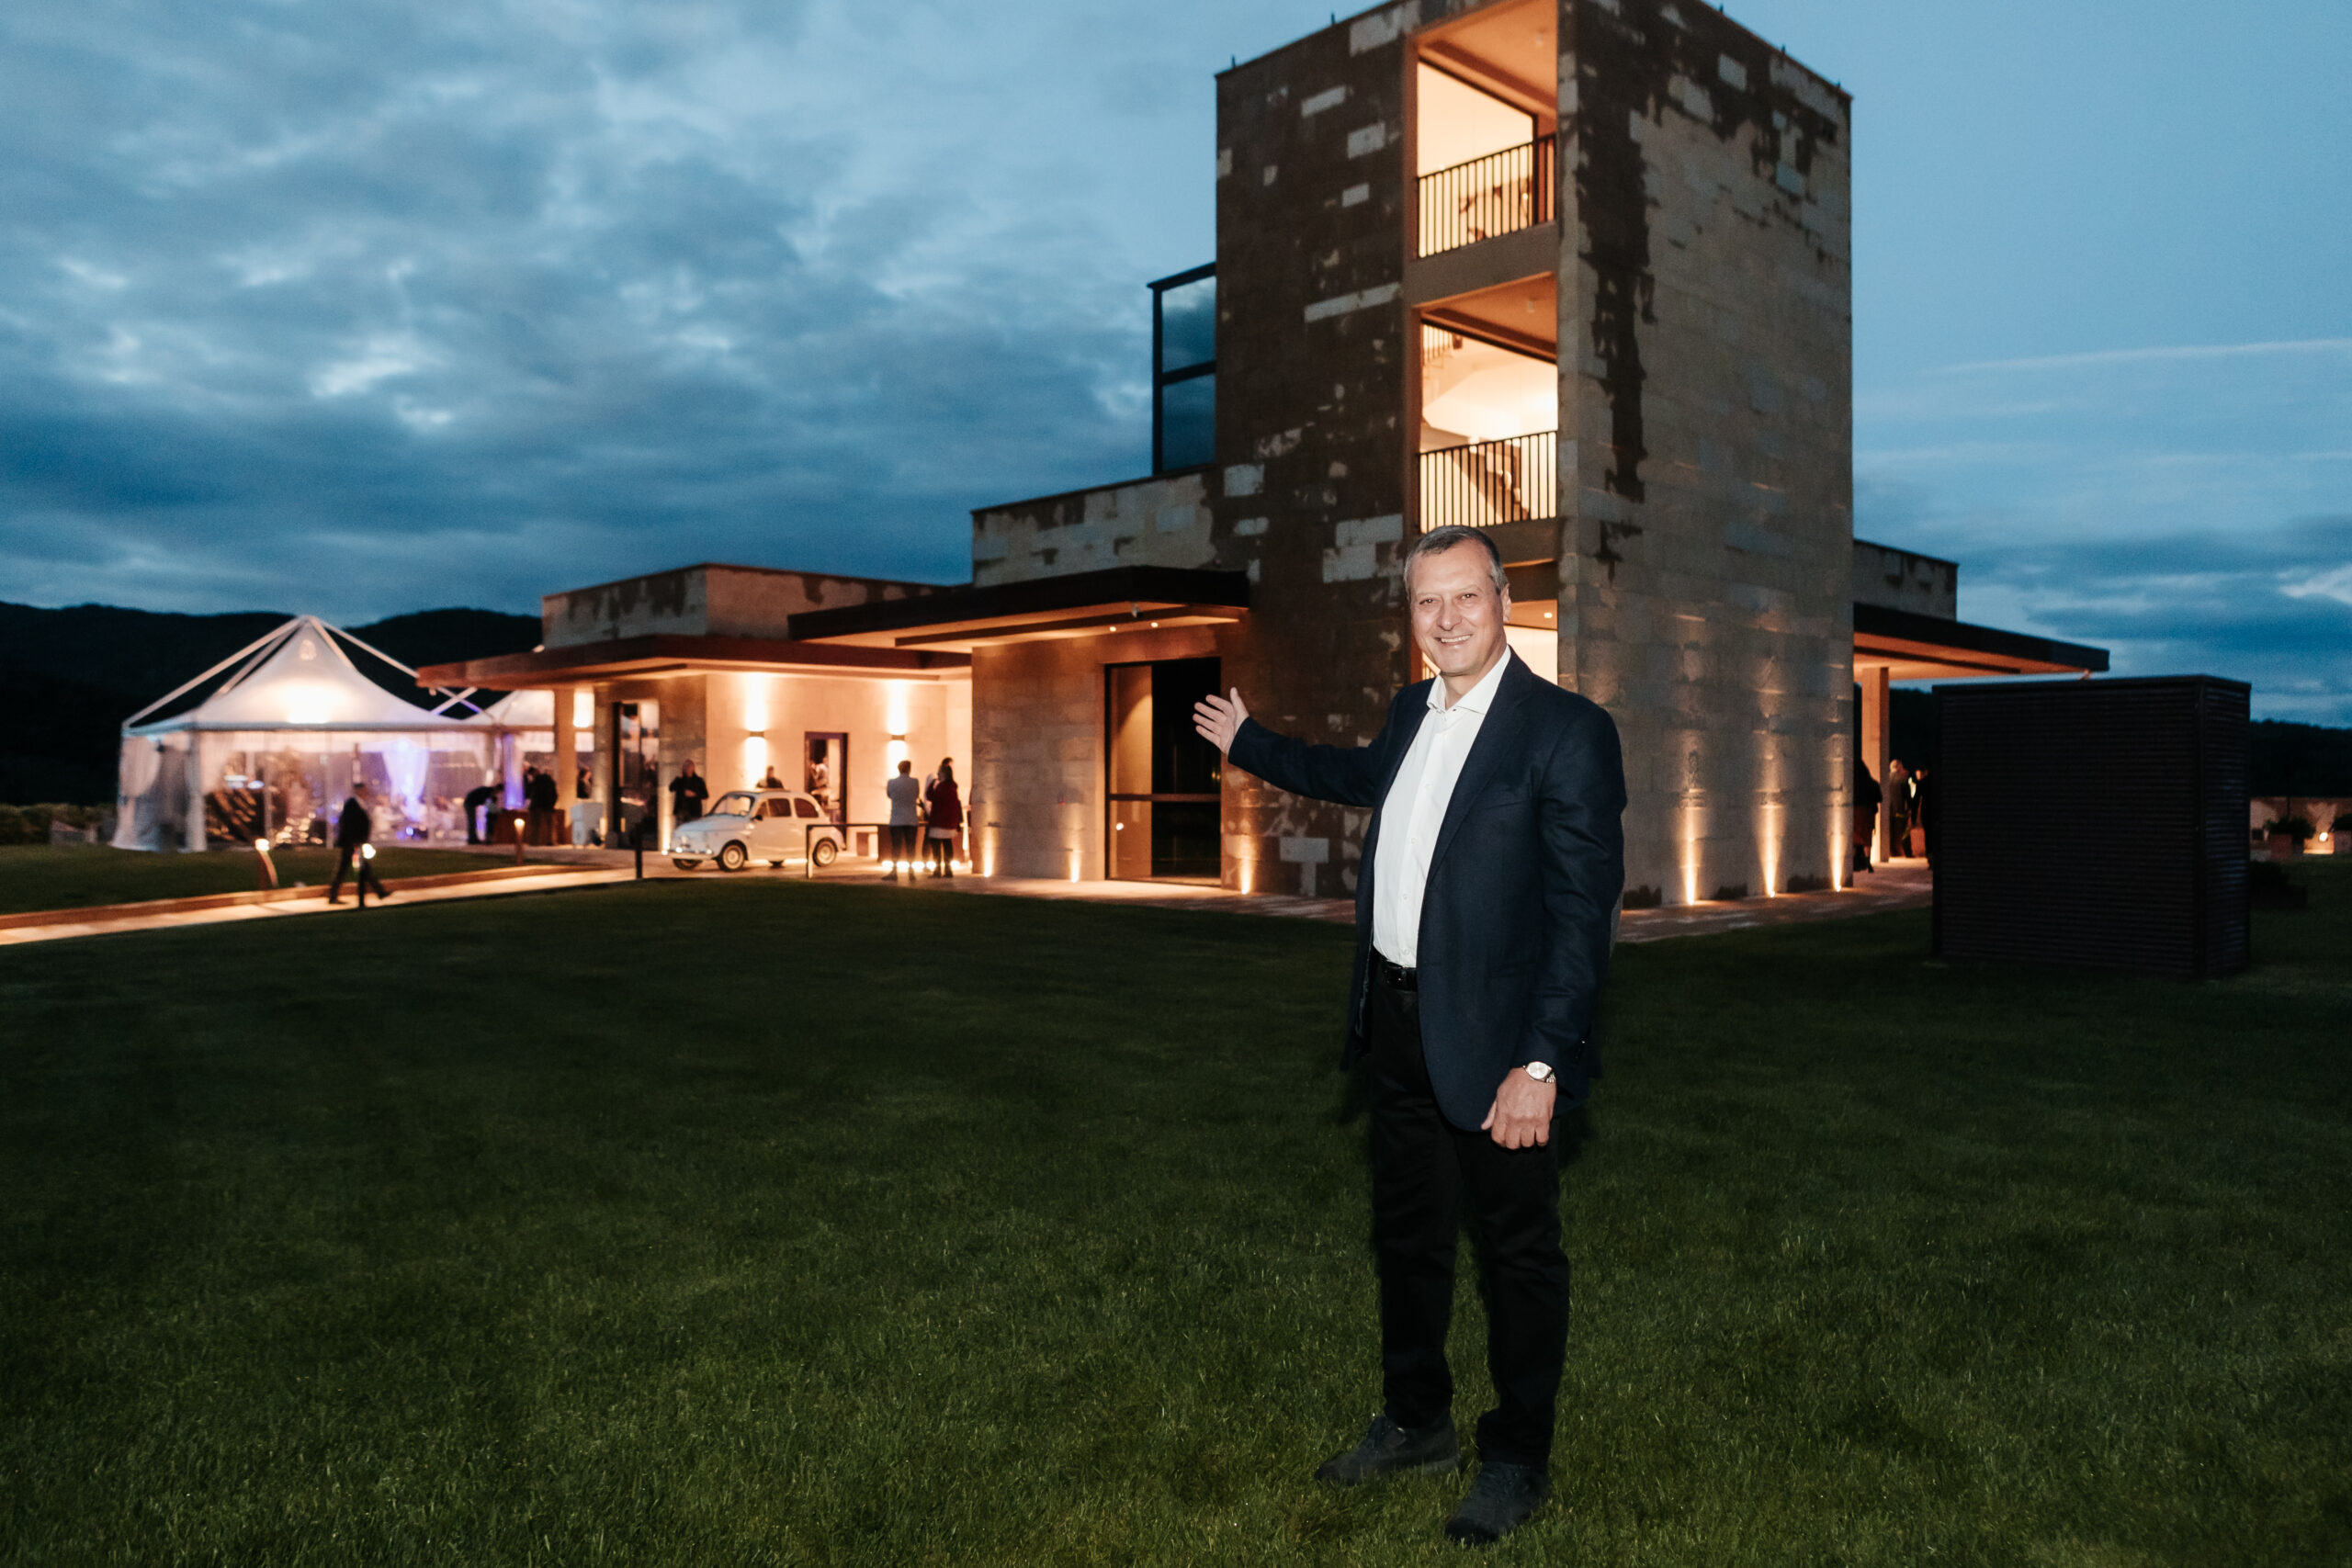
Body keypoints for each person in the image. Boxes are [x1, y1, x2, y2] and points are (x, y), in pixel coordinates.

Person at [1193, 525, 1624, 1547]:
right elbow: (1351, 775)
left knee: (1517, 1254)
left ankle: (1516, 1456)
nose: (1447, 618)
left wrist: (1540, 1062)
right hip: (1394, 1023)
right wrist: (1249, 742)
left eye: (1465, 596)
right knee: (1409, 1237)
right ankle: (1417, 1422)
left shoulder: (1565, 731)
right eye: (1428, 601)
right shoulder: (1408, 713)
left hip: (1498, 1039)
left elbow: (1582, 918)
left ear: (1502, 602)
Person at [327, 781, 392, 904]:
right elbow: (348, 824)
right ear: (358, 790)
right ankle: (335, 896)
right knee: (349, 868)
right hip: (352, 843)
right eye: (364, 790)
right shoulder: (352, 804)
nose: (366, 792)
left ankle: (379, 891)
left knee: (363, 868)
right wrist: (353, 840)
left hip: (357, 842)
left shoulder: (360, 804)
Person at [923, 759, 963, 877]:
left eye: (939, 772)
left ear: (944, 774)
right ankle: (948, 869)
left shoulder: (943, 787)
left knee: (936, 846)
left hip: (939, 821)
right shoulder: (952, 787)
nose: (938, 774)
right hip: (948, 823)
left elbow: (930, 796)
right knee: (947, 845)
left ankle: (938, 869)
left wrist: (932, 784)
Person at [884, 759, 922, 881]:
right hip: (911, 819)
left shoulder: (892, 782)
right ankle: (911, 871)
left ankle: (894, 871)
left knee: (896, 846)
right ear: (909, 769)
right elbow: (916, 795)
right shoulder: (914, 782)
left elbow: (889, 795)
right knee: (911, 846)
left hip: (896, 819)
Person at [1852, 759, 1882, 874]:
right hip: (1868, 814)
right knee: (1867, 839)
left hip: (1855, 813)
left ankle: (1854, 862)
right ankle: (1868, 862)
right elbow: (1879, 798)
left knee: (1854, 838)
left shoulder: (1852, 784)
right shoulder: (1873, 784)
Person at [669, 760, 708, 826]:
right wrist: (678, 778)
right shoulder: (680, 780)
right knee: (680, 830)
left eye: (688, 766)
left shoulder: (699, 780)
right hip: (681, 812)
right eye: (684, 766)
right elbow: (671, 788)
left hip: (694, 812)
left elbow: (705, 795)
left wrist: (694, 794)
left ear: (693, 768)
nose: (686, 768)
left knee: (693, 830)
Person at [461, 781, 496, 845]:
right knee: (472, 822)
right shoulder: (486, 792)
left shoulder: (487, 792)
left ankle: (473, 838)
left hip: (470, 804)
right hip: (469, 804)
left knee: (472, 822)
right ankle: (472, 839)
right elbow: (481, 801)